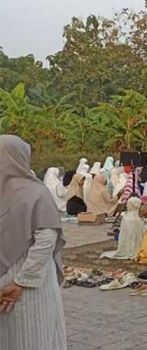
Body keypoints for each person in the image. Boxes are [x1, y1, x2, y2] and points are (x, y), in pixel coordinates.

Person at [0, 135, 67, 350]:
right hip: (17, 284)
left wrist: (20, 283)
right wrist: (17, 284)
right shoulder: (36, 192)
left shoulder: (36, 193)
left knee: (28, 335)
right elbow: (45, 242)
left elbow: (46, 241)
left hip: (26, 285)